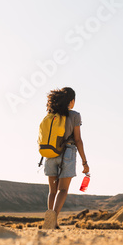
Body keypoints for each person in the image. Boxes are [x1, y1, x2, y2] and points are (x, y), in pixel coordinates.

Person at [42, 87, 89, 229]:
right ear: (71, 101)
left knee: (52, 191)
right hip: (67, 152)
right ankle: (53, 219)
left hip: (50, 153)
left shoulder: (51, 116)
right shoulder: (74, 115)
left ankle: (52, 221)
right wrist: (84, 162)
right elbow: (78, 139)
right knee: (63, 190)